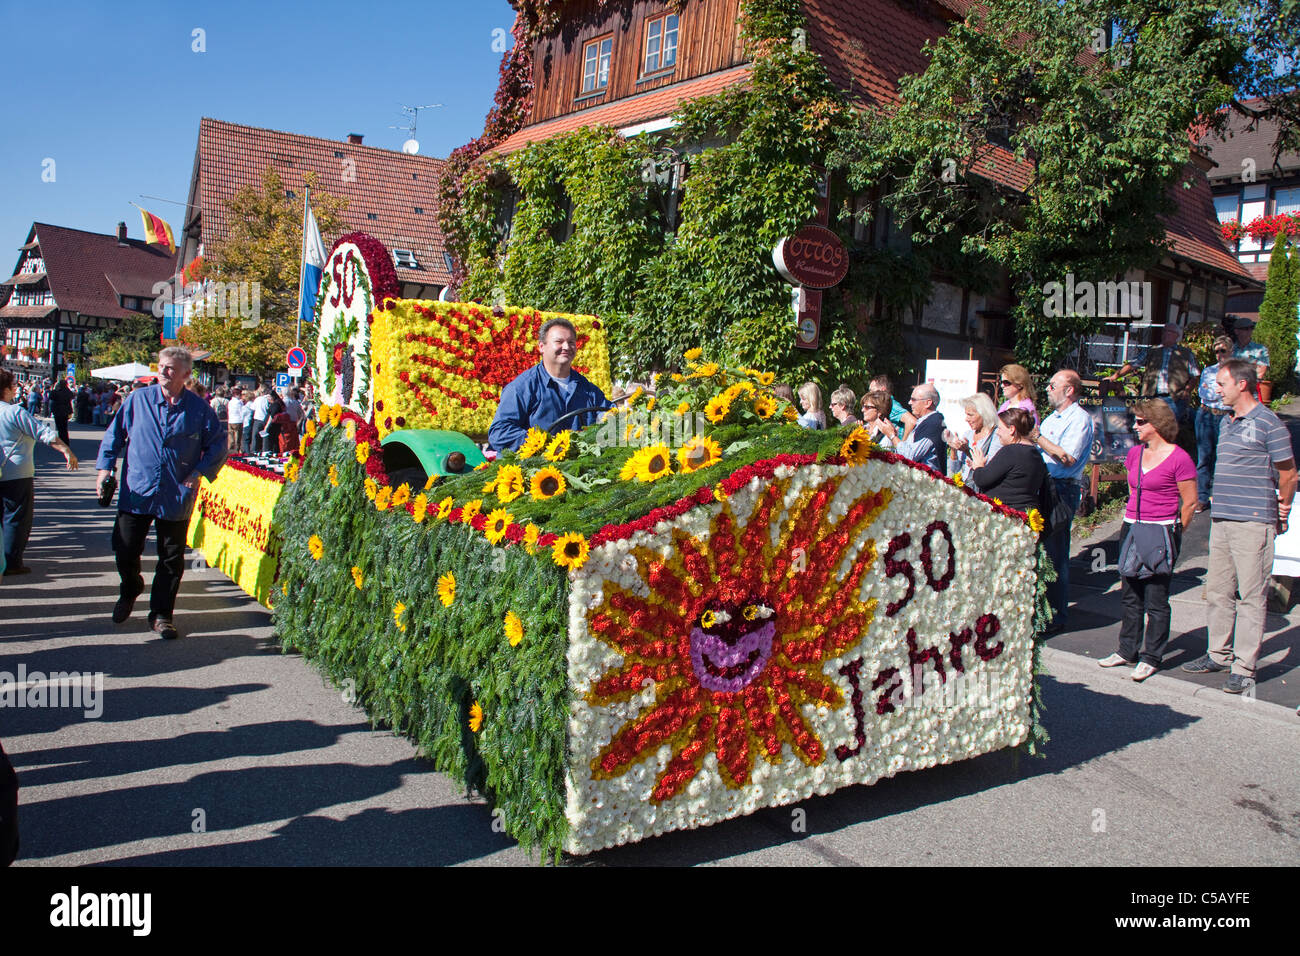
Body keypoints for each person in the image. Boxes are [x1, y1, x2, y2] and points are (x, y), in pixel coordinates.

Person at [1181, 359, 1297, 694]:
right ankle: (1217, 653)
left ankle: (1244, 668)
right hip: (1223, 519)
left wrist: (1284, 509)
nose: (1216, 389)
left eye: (1221, 383)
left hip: (1253, 522)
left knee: (1251, 596)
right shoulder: (1228, 422)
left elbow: (1288, 473)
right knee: (1218, 591)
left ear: (1242, 384)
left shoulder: (1269, 423)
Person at [95, 347, 227, 640]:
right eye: (162, 366)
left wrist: (200, 472)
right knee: (125, 547)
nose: (165, 372)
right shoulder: (138, 400)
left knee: (171, 558)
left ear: (185, 375)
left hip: (176, 492)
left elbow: (219, 443)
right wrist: (105, 469)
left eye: (172, 368)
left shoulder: (198, 408)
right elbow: (114, 435)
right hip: (138, 488)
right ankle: (130, 588)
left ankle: (161, 615)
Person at [1099, 400, 1198, 681]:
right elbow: (1133, 490)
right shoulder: (1135, 454)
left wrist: (1176, 533)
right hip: (1132, 526)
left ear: (1156, 424)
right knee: (1130, 593)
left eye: (1141, 421)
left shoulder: (1180, 459)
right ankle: (1126, 650)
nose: (1135, 426)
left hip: (1161, 529)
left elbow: (1190, 502)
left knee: (1156, 598)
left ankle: (1152, 655)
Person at [1030, 369, 1094, 632]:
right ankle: (1040, 612)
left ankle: (1056, 616)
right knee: (1039, 551)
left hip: (1062, 488)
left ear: (1069, 390)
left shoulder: (1079, 419)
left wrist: (1038, 438)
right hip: (1042, 485)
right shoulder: (1051, 419)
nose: (1047, 389)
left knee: (1055, 554)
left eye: (1053, 385)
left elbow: (1067, 457)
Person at [487, 318, 612, 452]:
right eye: (559, 342)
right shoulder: (522, 387)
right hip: (536, 467)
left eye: (571, 342)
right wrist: (544, 444)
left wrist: (615, 419)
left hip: (579, 467)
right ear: (542, 346)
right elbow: (499, 432)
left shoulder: (588, 389)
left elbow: (610, 414)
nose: (566, 347)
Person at [1, 370, 78, 575]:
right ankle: (11, 562)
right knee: (15, 518)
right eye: (13, 386)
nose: (16, 389)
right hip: (16, 471)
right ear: (7, 389)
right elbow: (44, 433)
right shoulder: (13, 412)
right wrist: (66, 450)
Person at [1107, 322, 1199, 426]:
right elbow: (1133, 364)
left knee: (1167, 427)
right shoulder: (1152, 350)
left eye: (1169, 332)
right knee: (1148, 425)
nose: (1165, 334)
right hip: (1151, 397)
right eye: (1164, 331)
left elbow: (1195, 375)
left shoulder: (1185, 353)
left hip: (1174, 398)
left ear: (1176, 335)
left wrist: (1187, 391)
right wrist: (1115, 376)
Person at [968, 408, 1047, 514]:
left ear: (1011, 429)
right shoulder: (1036, 454)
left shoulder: (1011, 451)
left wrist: (978, 467)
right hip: (1027, 515)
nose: (997, 433)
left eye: (1000, 428)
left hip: (1007, 516)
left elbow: (982, 479)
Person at [1194, 335, 1234, 512]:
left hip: (1226, 416)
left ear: (1230, 351)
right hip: (1206, 415)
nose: (1219, 355)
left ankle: (1220, 497)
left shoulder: (1236, 371)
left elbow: (1235, 393)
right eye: (1216, 351)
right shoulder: (1208, 371)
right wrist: (1222, 390)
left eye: (1223, 351)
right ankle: (1202, 497)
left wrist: (1220, 391)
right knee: (1204, 458)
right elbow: (1204, 393)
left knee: (1223, 458)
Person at [946, 392, 1000, 486]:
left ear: (984, 414)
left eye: (970, 415)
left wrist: (967, 451)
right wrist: (954, 449)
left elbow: (988, 467)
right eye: (966, 414)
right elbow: (955, 469)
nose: (966, 419)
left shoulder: (996, 436)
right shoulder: (968, 435)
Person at [897, 382, 947, 472]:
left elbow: (909, 456)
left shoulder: (934, 424)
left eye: (913, 399)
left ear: (928, 403)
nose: (909, 403)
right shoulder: (925, 421)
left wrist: (892, 436)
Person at [1230, 317, 1269, 382]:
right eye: (1246, 329)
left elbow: (1261, 372)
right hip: (1233, 384)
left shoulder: (1260, 349)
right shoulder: (1230, 349)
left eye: (1251, 328)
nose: (1250, 331)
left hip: (1251, 386)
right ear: (1236, 331)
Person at [248, 386, 273, 455]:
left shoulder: (258, 399)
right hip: (266, 419)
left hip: (258, 419)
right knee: (264, 435)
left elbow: (252, 408)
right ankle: (265, 450)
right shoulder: (268, 399)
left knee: (255, 436)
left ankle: (254, 451)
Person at [50, 378, 73, 445]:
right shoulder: (68, 391)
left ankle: (62, 441)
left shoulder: (57, 391)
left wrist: (55, 388)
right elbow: (71, 395)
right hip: (66, 411)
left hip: (58, 411)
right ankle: (66, 441)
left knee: (60, 427)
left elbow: (51, 396)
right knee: (64, 427)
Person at [226, 387, 245, 456]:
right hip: (238, 420)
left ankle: (230, 449)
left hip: (231, 420)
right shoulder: (239, 402)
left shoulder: (230, 402)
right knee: (237, 436)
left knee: (231, 436)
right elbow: (241, 411)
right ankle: (236, 450)